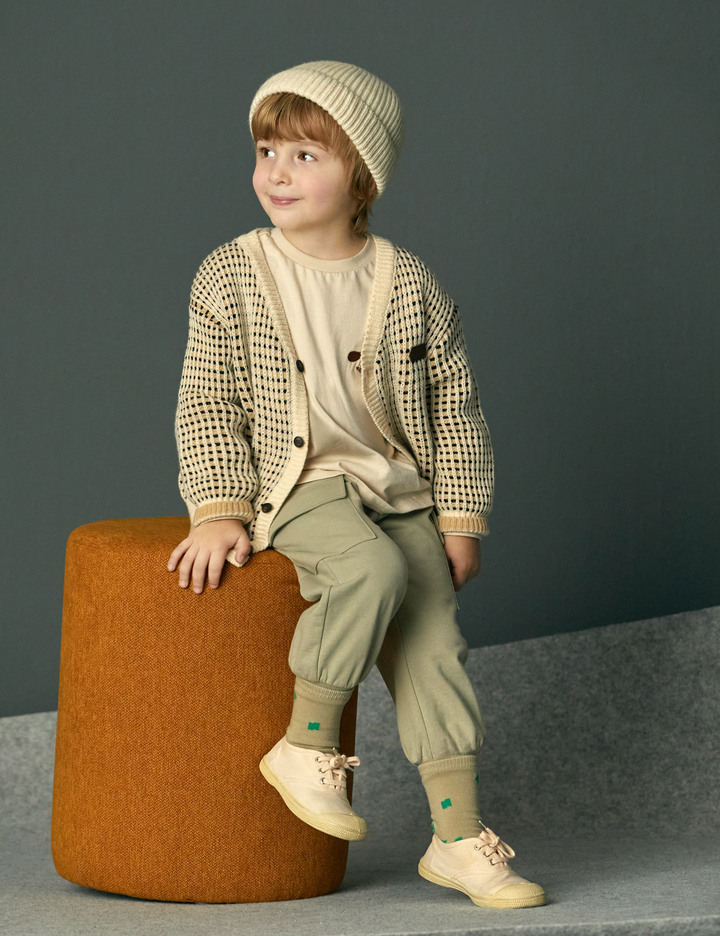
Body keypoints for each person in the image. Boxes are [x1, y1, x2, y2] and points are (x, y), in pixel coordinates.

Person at [167, 61, 545, 910]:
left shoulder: (409, 283)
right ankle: (306, 742)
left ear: (362, 175)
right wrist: (219, 507)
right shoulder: (230, 274)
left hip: (397, 487)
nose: (276, 172)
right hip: (297, 483)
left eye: (305, 155)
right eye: (266, 151)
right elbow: (206, 401)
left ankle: (458, 839)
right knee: (367, 570)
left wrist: (461, 517)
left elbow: (456, 408)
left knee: (434, 640)